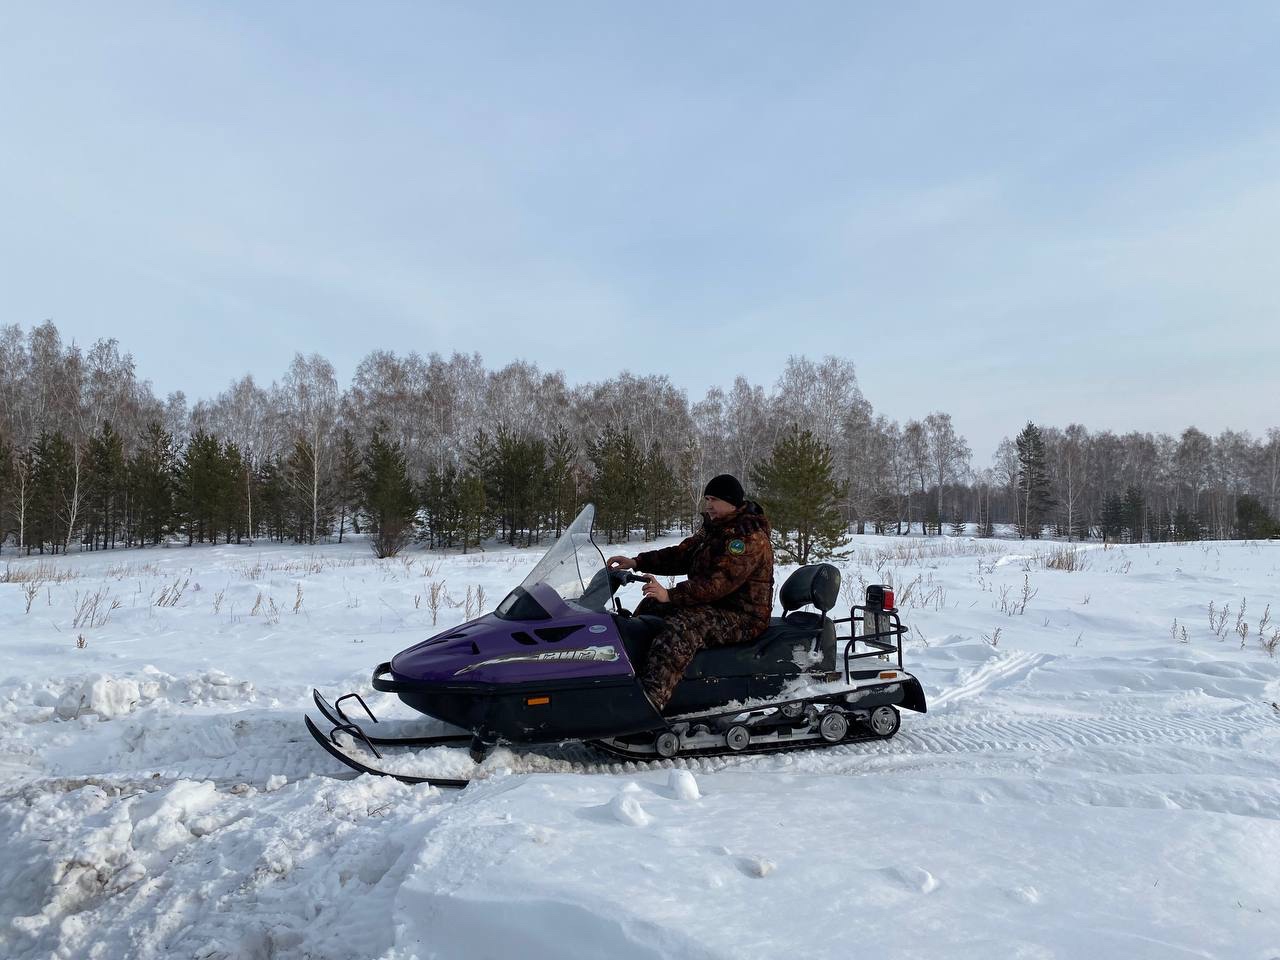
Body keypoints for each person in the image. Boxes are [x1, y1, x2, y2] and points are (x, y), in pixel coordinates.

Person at [607, 474, 774, 711]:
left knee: (683, 626)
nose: (708, 505)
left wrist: (671, 595)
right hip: (714, 606)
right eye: (707, 498)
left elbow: (719, 583)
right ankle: (629, 676)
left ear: (731, 502)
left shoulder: (747, 537)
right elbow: (681, 555)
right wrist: (636, 562)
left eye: (714, 499)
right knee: (651, 609)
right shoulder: (715, 530)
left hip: (743, 616)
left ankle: (649, 702)